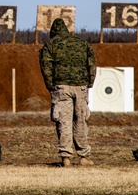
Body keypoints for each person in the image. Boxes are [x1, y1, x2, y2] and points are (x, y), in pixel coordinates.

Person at [39, 18, 97, 167]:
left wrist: (50, 86)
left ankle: (66, 158)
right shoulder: (82, 43)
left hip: (61, 87)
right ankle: (83, 156)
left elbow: (46, 68)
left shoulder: (50, 45)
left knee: (63, 122)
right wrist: (89, 83)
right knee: (81, 121)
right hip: (81, 87)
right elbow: (92, 65)